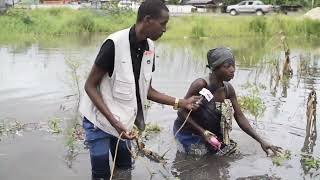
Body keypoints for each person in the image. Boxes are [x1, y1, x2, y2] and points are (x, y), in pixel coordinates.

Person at [79, 0, 200, 179]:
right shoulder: (114, 44)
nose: (165, 29)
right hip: (100, 121)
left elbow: (147, 90)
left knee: (125, 168)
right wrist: (114, 122)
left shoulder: (149, 47)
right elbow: (89, 86)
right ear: (148, 20)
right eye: (163, 23)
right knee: (101, 173)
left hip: (122, 123)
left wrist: (180, 102)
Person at [173, 47, 282, 156]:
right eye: (227, 66)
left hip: (210, 134)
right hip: (190, 133)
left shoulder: (228, 89)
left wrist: (261, 141)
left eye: (233, 65)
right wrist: (203, 133)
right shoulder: (201, 85)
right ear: (215, 68)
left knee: (231, 153)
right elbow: (181, 112)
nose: (232, 69)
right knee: (201, 157)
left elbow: (240, 117)